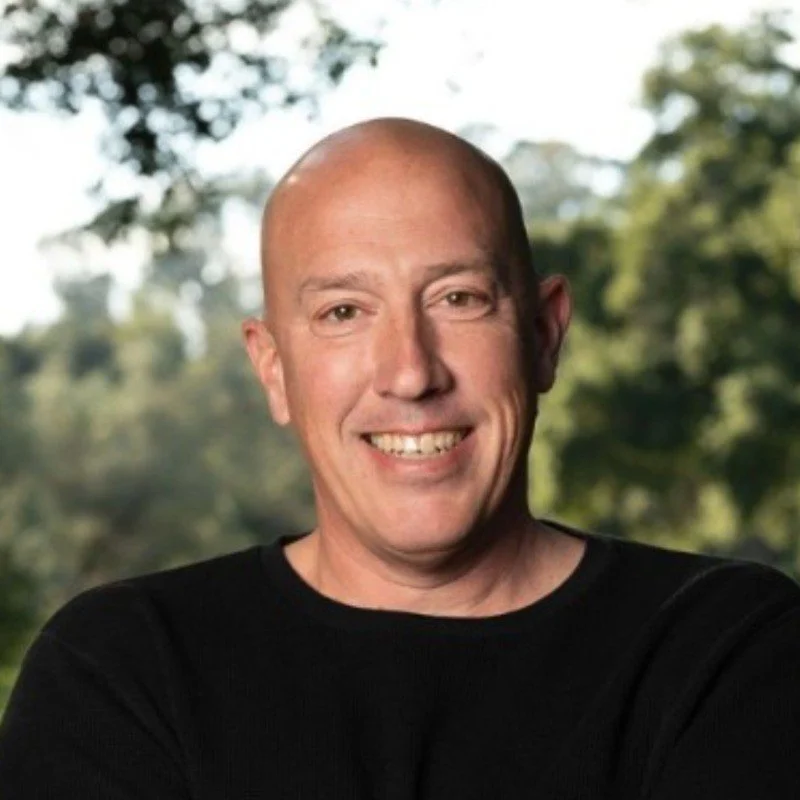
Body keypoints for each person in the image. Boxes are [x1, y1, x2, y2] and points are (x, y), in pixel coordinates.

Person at [0, 118, 798, 799]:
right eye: (344, 312)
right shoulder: (124, 672)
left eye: (459, 298)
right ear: (273, 368)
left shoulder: (728, 650)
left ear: (545, 335)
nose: (411, 372)